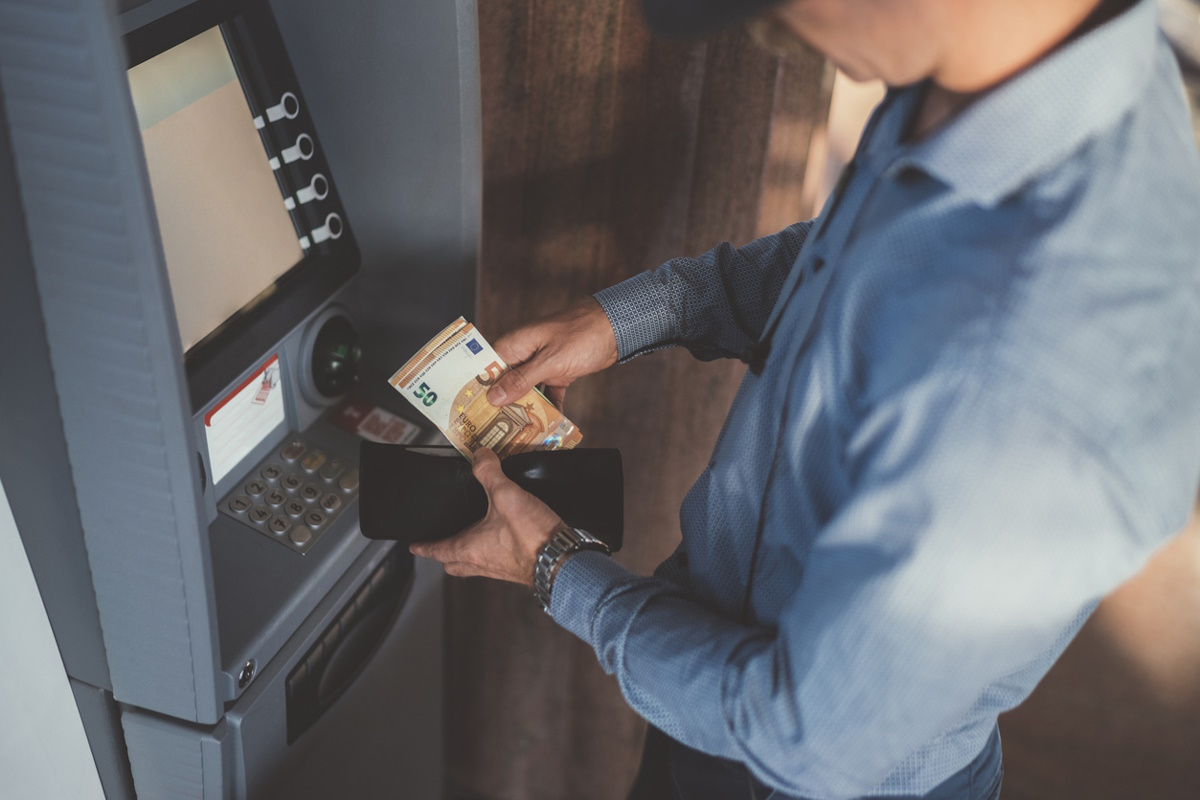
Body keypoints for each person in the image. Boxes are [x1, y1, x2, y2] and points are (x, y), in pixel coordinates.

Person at [409, 0, 1200, 797]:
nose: (768, 33)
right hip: (702, 691)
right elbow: (857, 264)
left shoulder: (1044, 369)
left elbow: (802, 737)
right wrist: (637, 315)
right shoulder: (993, 77)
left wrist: (554, 568)